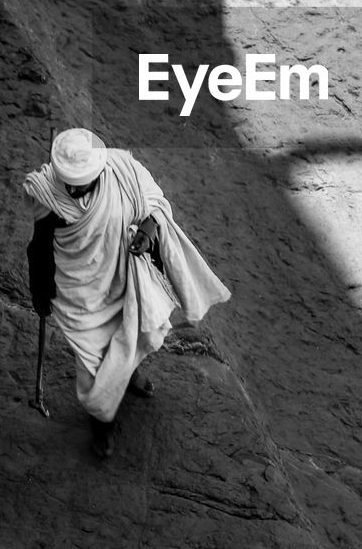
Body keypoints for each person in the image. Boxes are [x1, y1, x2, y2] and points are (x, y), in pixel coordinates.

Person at [23, 127, 231, 458]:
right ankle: (101, 420)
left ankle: (128, 376)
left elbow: (155, 203)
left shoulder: (122, 169)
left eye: (81, 181)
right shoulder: (47, 198)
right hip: (82, 293)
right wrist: (41, 292)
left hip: (123, 276)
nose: (74, 187)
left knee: (129, 333)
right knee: (92, 364)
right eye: (69, 181)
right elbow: (40, 249)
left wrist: (148, 230)